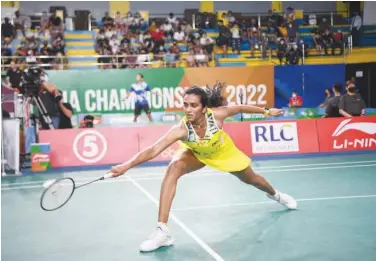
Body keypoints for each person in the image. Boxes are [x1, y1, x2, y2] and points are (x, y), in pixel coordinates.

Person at [107, 83, 297, 252]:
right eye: (186, 105)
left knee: (254, 180)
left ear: (204, 107)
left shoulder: (218, 114)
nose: (188, 110)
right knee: (174, 167)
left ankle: (275, 194)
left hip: (224, 152)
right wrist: (127, 165)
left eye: (194, 105)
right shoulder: (181, 129)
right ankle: (162, 231)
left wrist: (265, 111)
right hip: (197, 154)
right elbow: (154, 149)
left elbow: (239, 108)